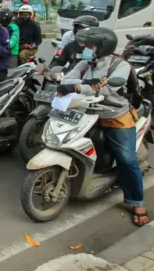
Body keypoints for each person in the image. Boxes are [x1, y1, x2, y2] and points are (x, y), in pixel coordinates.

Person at [57, 27, 149, 226]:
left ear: (102, 46)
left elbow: (108, 88)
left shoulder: (120, 65)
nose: (86, 49)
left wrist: (79, 86)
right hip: (87, 113)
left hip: (116, 115)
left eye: (90, 46)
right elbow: (68, 78)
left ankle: (136, 201)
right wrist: (81, 83)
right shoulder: (85, 63)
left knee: (126, 159)